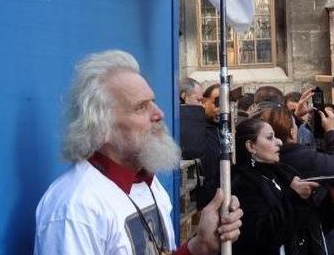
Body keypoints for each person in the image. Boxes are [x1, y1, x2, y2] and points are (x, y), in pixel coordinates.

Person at [33, 50, 243, 255]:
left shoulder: (147, 182)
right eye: (140, 107)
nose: (159, 113)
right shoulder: (75, 209)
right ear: (101, 127)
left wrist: (198, 246)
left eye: (153, 101)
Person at [232, 118, 326, 255]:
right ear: (251, 146)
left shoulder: (282, 173)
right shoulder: (242, 183)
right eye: (270, 138)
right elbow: (264, 235)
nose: (279, 142)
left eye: (275, 136)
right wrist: (295, 197)